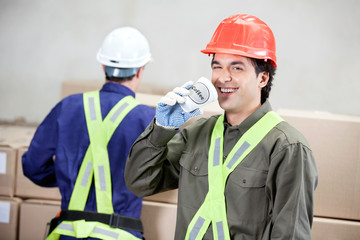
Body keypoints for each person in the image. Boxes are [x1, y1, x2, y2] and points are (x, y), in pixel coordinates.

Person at [125, 14, 318, 239]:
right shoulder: (197, 134)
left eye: (237, 68)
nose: (223, 78)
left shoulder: (287, 147)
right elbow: (139, 183)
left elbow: (290, 234)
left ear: (262, 78)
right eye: (217, 67)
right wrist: (161, 129)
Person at [22, 26, 155, 240]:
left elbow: (32, 166)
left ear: (103, 65)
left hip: (68, 233)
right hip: (121, 235)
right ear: (140, 70)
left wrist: (69, 177)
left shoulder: (68, 107)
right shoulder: (147, 119)